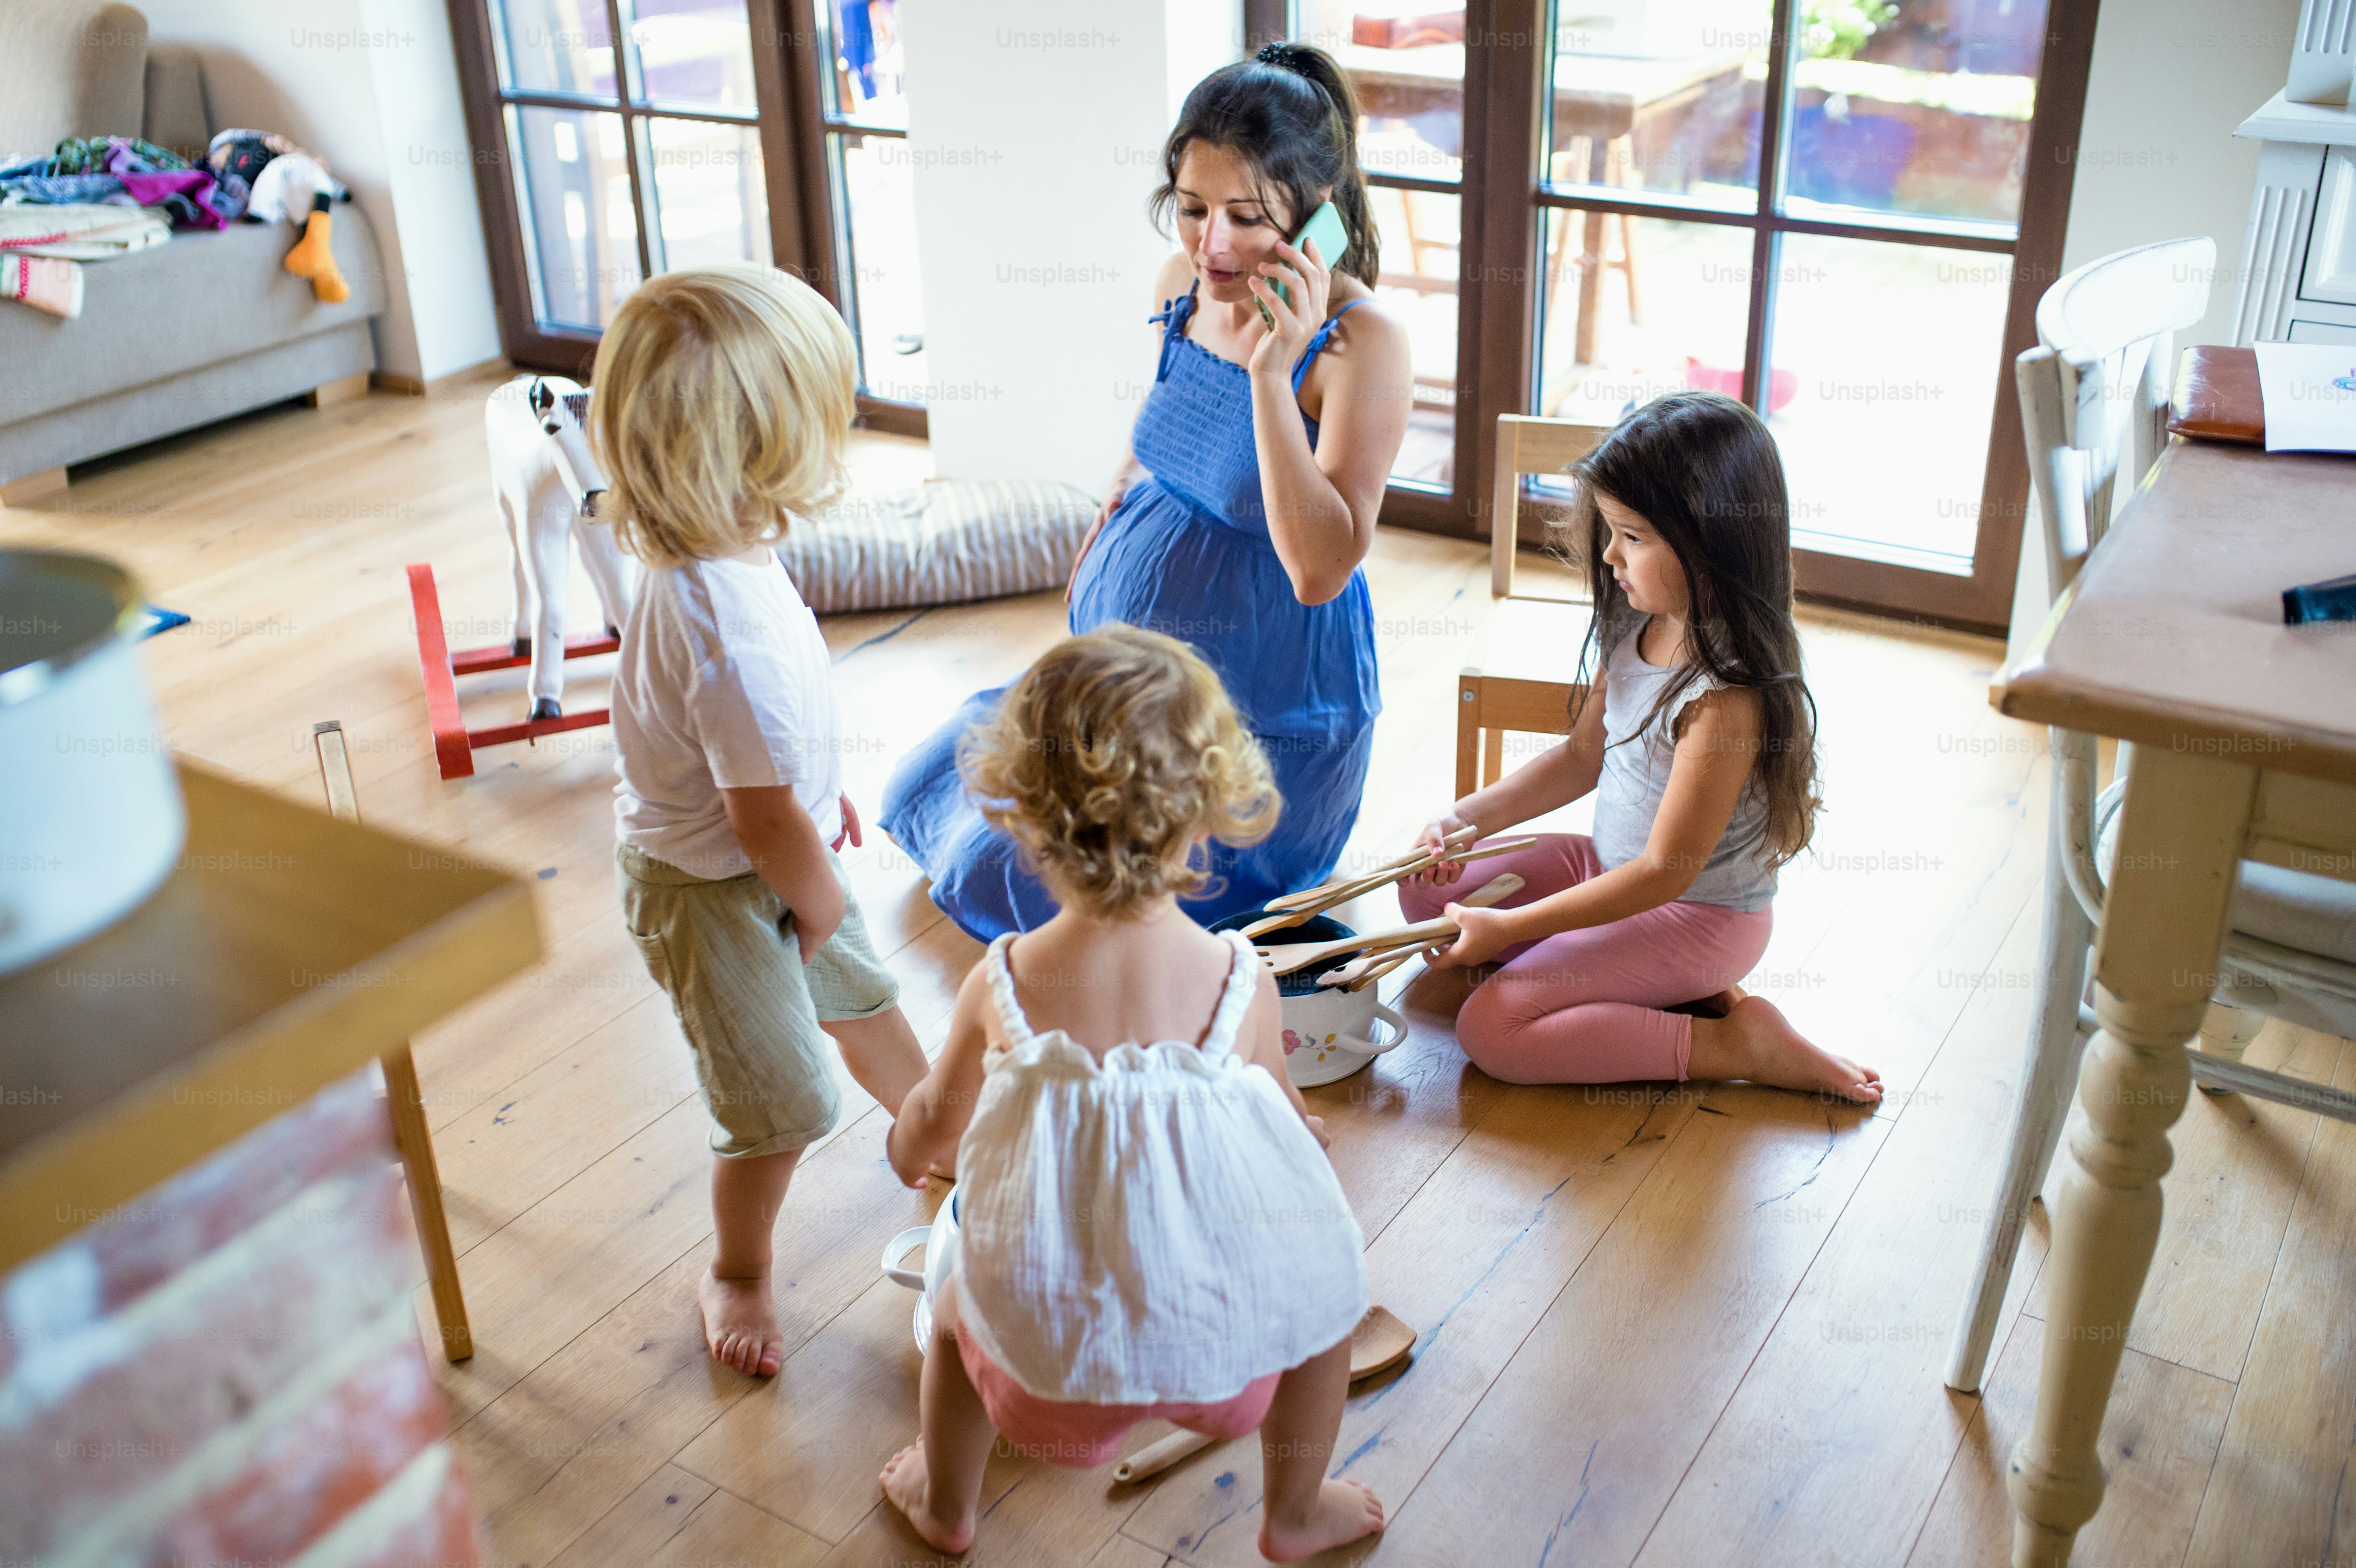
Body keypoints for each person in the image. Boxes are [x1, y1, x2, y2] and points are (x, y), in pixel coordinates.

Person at [879, 40, 1412, 938]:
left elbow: (1320, 567)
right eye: (1193, 209)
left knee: (1031, 874)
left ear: (1318, 212)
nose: (1213, 245)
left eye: (1247, 217)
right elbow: (1163, 429)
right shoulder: (1183, 283)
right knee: (925, 789)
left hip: (1257, 717)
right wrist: (1110, 520)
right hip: (1131, 684)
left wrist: (1273, 372)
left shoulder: (1365, 344)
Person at [880, 626, 1386, 1563]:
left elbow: (930, 1129)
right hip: (1231, 1369)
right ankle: (1295, 1509)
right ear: (1206, 813)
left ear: (1018, 814)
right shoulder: (1242, 977)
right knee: (1326, 1304)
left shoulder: (1002, 985)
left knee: (953, 1311)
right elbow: (1291, 1126)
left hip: (1048, 1387)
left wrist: (909, 1147)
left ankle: (946, 1501)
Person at [594, 262, 934, 1378]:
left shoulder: (729, 556)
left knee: (866, 1004)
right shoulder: (720, 621)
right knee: (781, 1098)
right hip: (711, 889)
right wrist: (818, 891)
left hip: (771, 847)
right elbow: (751, 814)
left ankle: (952, 1157)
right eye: (823, 411)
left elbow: (757, 762)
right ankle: (736, 1265)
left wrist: (812, 796)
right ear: (754, 447)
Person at [1399, 392, 1882, 1103]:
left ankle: (1731, 1041)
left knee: (1493, 1028)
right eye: (1609, 530)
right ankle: (1622, 977)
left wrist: (1512, 926)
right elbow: (1580, 757)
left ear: (1709, 541)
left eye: (1632, 536)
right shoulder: (1638, 618)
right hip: (1609, 868)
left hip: (1699, 918)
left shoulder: (1725, 695)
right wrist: (1460, 822)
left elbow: (1664, 874)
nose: (1608, 555)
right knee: (1422, 887)